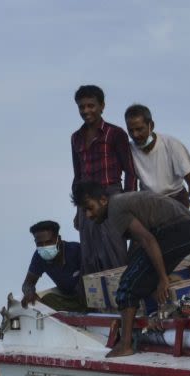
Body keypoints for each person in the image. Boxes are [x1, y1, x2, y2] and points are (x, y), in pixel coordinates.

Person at [73, 181, 190, 358]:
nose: (88, 215)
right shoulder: (119, 204)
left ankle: (125, 345)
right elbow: (141, 246)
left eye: (90, 208)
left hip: (179, 231)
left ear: (103, 200)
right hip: (185, 230)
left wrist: (163, 278)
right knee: (136, 276)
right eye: (84, 211)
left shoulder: (115, 210)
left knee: (127, 288)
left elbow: (148, 240)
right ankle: (156, 315)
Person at [70, 84, 136, 272]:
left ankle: (123, 297)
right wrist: (77, 210)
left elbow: (130, 171)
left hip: (111, 195)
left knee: (114, 250)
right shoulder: (76, 138)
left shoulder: (115, 134)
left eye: (91, 106)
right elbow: (78, 175)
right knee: (90, 254)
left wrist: (128, 202)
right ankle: (97, 299)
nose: (86, 111)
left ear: (102, 106)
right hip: (86, 201)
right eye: (81, 107)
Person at [124, 104, 190, 207]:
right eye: (131, 131)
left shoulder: (171, 145)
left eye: (139, 129)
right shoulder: (128, 150)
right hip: (149, 203)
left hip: (177, 199)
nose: (135, 135)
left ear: (151, 125)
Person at [20, 221, 88, 312]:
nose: (44, 247)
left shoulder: (76, 250)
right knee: (47, 299)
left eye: (49, 242)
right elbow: (27, 284)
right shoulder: (39, 256)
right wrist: (29, 292)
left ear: (58, 239)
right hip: (68, 299)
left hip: (89, 297)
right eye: (39, 244)